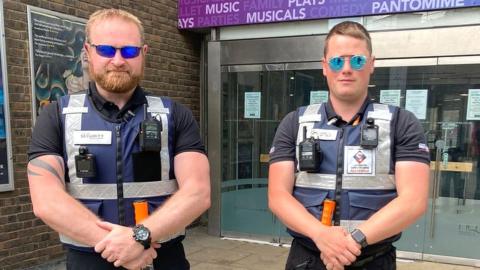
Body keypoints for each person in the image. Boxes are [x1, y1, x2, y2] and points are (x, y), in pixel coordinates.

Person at [27, 9, 210, 270]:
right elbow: (46, 201)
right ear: (88, 52)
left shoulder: (175, 115)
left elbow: (198, 193)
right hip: (90, 260)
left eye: (129, 52)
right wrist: (123, 247)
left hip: (162, 259)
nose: (118, 60)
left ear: (143, 54)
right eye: (105, 50)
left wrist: (139, 237)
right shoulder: (57, 115)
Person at [268, 21, 430, 270]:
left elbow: (413, 200)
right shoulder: (294, 122)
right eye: (336, 61)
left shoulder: (401, 123)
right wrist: (321, 236)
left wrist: (350, 242)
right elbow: (278, 196)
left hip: (373, 259)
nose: (346, 69)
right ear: (324, 67)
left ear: (371, 64)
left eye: (356, 61)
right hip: (308, 258)